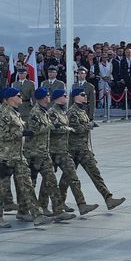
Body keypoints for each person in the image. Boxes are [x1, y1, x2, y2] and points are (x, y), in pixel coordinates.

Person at [0, 88, 51, 228]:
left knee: (27, 184)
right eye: (18, 96)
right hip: (7, 156)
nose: (21, 98)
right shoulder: (5, 114)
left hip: (18, 156)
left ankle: (37, 215)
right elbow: (3, 136)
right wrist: (21, 133)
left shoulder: (14, 112)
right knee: (2, 188)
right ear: (10, 98)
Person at [66, 88, 126, 210]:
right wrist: (90, 125)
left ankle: (108, 198)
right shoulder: (72, 111)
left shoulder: (82, 110)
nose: (85, 96)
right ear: (76, 97)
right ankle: (59, 203)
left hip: (83, 148)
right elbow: (76, 129)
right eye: (82, 95)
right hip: (74, 149)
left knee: (95, 173)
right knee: (67, 179)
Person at [24, 88, 76, 222]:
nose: (49, 97)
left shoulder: (44, 111)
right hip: (34, 153)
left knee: (51, 181)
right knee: (30, 184)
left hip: (44, 153)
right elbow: (34, 130)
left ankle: (58, 211)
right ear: (42, 98)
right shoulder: (35, 112)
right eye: (47, 95)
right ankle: (22, 210)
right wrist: (51, 126)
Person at [44, 90, 98, 215]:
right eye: (64, 96)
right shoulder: (52, 112)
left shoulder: (62, 111)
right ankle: (46, 206)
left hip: (63, 150)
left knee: (72, 177)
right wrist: (67, 128)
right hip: (54, 151)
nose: (67, 98)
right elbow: (55, 130)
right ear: (58, 98)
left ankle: (80, 205)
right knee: (48, 181)